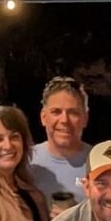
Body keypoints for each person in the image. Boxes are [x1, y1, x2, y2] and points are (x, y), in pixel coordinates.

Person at [28, 76, 91, 206]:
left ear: (85, 118)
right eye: (56, 112)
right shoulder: (26, 161)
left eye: (73, 112)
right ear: (43, 117)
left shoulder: (98, 163)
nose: (64, 120)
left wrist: (74, 217)